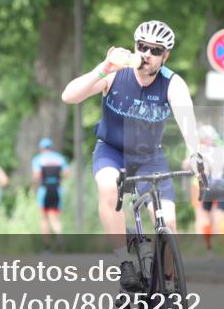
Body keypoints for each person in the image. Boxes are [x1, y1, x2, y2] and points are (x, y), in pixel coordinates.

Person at [61, 20, 205, 291]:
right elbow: (69, 96)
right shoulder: (116, 74)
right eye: (142, 47)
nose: (147, 54)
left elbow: (187, 122)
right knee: (108, 186)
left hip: (149, 157)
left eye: (155, 50)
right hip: (112, 150)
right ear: (135, 47)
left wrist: (196, 154)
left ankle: (168, 284)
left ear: (165, 56)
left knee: (168, 221)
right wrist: (103, 68)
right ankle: (124, 262)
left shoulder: (172, 84)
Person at [186, 124, 224, 253]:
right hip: (222, 184)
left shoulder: (202, 149)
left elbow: (193, 167)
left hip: (207, 184)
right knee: (219, 214)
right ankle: (219, 245)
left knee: (204, 216)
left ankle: (208, 247)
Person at [32, 138, 70, 251]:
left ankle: (47, 247)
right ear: (51, 147)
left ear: (41, 148)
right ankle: (59, 237)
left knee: (44, 218)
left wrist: (34, 187)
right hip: (57, 189)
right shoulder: (59, 158)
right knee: (55, 218)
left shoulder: (38, 159)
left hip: (44, 190)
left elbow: (37, 175)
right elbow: (67, 174)